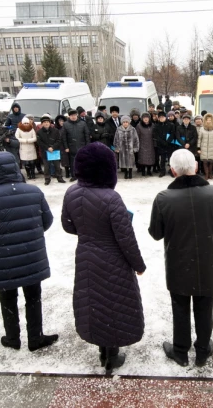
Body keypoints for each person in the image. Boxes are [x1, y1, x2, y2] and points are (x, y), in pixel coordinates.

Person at [61, 142, 145, 374]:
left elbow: (68, 226)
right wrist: (138, 265)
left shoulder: (71, 192)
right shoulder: (112, 198)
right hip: (114, 258)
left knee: (95, 303)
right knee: (114, 303)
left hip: (86, 256)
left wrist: (88, 232)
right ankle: (113, 355)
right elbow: (125, 238)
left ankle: (102, 351)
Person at [149, 149, 213, 367]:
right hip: (207, 261)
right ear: (196, 167)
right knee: (205, 306)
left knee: (180, 307)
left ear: (173, 170)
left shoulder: (164, 198)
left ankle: (180, 350)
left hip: (178, 263)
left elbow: (156, 233)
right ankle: (203, 350)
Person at [0, 152, 58, 352]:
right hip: (31, 255)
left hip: (3, 259)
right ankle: (35, 338)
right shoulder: (33, 191)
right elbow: (47, 221)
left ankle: (12, 338)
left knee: (7, 298)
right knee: (33, 297)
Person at [37, 114, 66, 185]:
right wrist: (47, 148)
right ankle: (47, 179)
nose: (46, 123)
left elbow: (59, 140)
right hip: (45, 151)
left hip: (54, 151)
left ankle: (59, 177)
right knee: (46, 167)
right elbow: (39, 142)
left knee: (57, 165)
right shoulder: (39, 132)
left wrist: (53, 147)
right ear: (42, 124)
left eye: (47, 122)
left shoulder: (55, 131)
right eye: (44, 122)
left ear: (50, 123)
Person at [62, 109, 90, 181]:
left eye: (74, 115)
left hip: (82, 146)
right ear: (69, 116)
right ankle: (74, 175)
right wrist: (66, 147)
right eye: (71, 115)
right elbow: (64, 137)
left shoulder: (83, 123)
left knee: (83, 161)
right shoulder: (65, 124)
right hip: (71, 147)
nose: (73, 117)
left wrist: (88, 145)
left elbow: (87, 135)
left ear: (77, 115)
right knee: (73, 162)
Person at [197, 113, 213, 180]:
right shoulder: (202, 129)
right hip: (203, 148)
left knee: (211, 162)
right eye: (207, 120)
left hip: (212, 148)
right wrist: (198, 148)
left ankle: (210, 173)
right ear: (205, 120)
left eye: (210, 120)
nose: (208, 121)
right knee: (204, 162)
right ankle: (206, 174)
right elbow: (199, 139)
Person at [154, 112, 175, 177]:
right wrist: (162, 142)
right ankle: (162, 171)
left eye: (163, 117)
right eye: (160, 117)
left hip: (169, 145)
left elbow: (173, 134)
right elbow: (156, 135)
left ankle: (171, 171)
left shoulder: (171, 125)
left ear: (165, 117)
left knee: (170, 159)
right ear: (158, 118)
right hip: (161, 145)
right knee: (162, 159)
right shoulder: (156, 126)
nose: (161, 118)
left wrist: (168, 141)